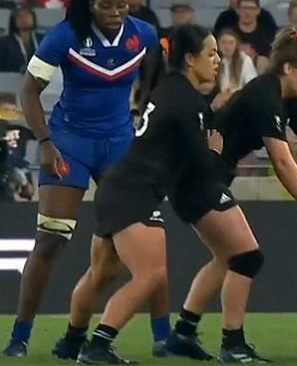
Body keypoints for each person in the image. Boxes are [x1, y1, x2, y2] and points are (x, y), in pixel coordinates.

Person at [2, 0, 164, 359]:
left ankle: (163, 337)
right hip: (70, 143)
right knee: (52, 239)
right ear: (88, 5)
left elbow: (156, 78)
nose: (115, 12)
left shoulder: (144, 34)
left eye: (121, 5)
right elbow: (28, 90)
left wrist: (144, 111)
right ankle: (20, 335)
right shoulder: (65, 35)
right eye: (105, 5)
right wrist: (44, 143)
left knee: (143, 245)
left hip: (121, 146)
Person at [161, 27, 297, 361]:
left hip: (206, 178)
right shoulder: (264, 92)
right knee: (247, 257)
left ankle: (182, 335)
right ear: (289, 67)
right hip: (196, 179)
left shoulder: (294, 100)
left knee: (227, 257)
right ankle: (232, 344)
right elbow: (282, 160)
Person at [71, 24, 228, 364]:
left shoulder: (168, 90)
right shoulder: (187, 100)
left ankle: (73, 341)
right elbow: (202, 166)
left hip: (120, 187)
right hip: (134, 193)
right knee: (151, 275)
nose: (218, 59)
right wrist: (215, 150)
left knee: (102, 272)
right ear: (189, 59)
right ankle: (97, 345)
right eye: (211, 53)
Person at [0, 6, 41, 73]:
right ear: (13, 21)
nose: (23, 19)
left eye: (27, 15)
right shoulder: (3, 43)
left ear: (33, 18)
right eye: (19, 16)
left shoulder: (45, 39)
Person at [216, 29, 257, 93]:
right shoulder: (216, 61)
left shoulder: (245, 60)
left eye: (231, 42)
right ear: (218, 45)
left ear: (236, 44)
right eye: (224, 42)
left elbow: (251, 85)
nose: (227, 46)